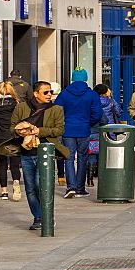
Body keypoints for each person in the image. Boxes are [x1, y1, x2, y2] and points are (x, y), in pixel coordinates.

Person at [9, 81, 66, 230]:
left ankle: (47, 216)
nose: (49, 95)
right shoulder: (22, 108)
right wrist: (21, 130)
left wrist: (39, 131)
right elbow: (12, 127)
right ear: (36, 94)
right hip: (27, 152)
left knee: (41, 185)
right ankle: (38, 217)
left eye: (51, 92)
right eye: (46, 92)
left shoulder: (56, 109)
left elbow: (59, 130)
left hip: (45, 152)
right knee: (30, 188)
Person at [55, 68, 103, 198]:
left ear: (73, 78)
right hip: (84, 129)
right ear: (85, 78)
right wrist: (89, 123)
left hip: (68, 129)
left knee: (68, 158)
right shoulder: (92, 94)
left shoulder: (64, 94)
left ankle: (71, 186)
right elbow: (98, 114)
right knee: (83, 158)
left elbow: (57, 111)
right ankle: (80, 188)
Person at [0, 82, 22, 201]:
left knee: (2, 165)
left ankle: (4, 192)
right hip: (14, 137)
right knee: (15, 164)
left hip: (0, 137)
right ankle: (16, 184)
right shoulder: (16, 105)